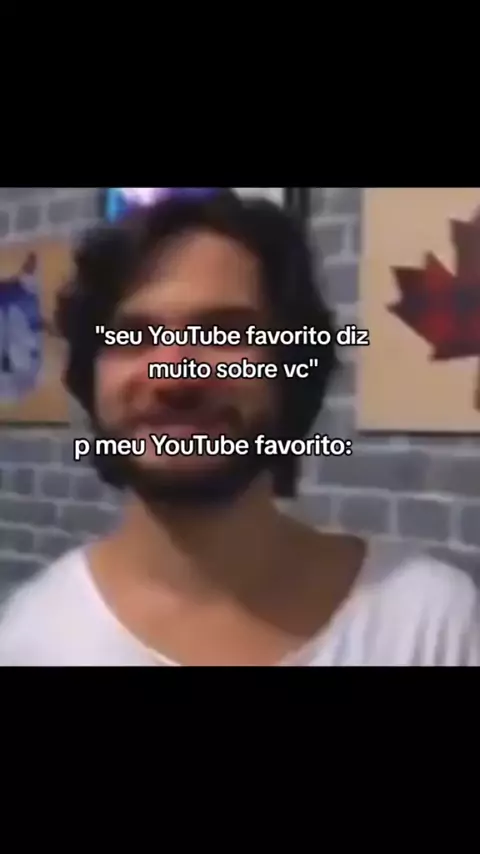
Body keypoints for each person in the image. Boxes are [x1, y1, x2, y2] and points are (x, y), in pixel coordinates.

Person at [0, 188, 478, 666]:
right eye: (135, 336)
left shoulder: (432, 626)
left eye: (226, 334)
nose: (174, 374)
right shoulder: (32, 640)